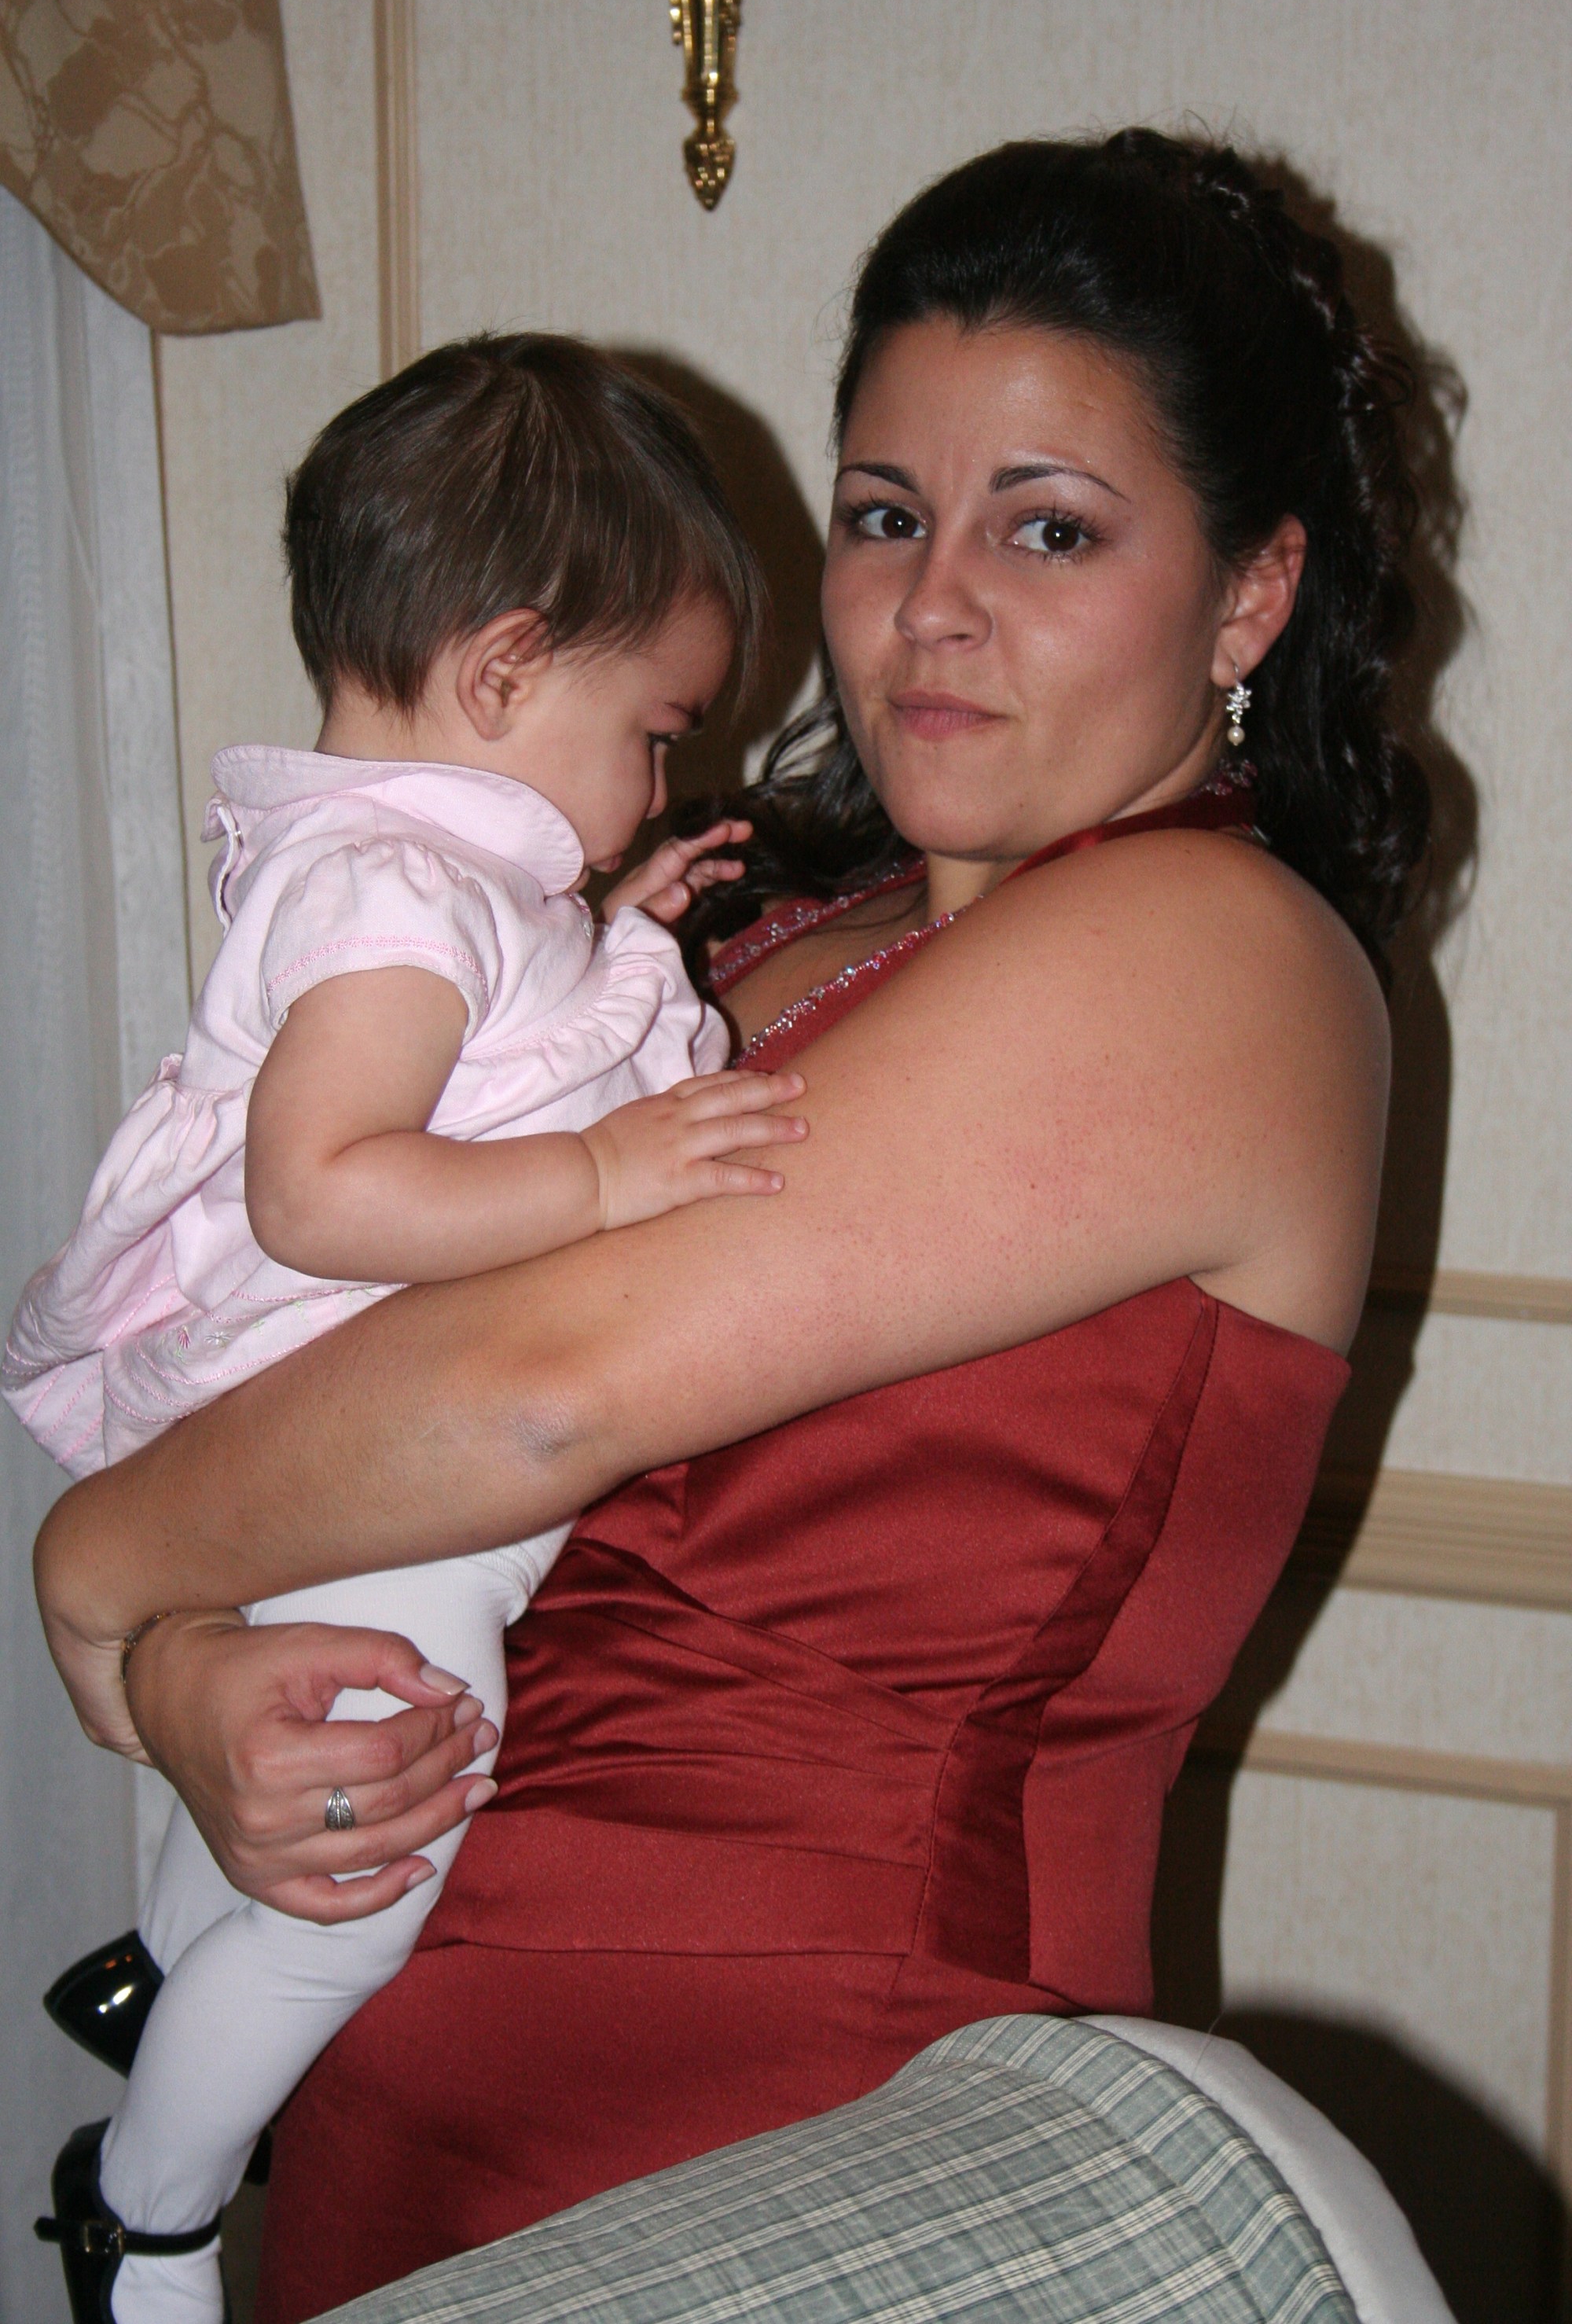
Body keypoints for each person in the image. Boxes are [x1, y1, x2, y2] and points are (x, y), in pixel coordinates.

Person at [30, 130, 1430, 2324]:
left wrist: (100, 1573)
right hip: (395, 2095)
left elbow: (528, 1394)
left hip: (817, 2138)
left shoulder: (1210, 954)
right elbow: (354, 1382)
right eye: (884, 514)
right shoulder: (735, 941)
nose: (931, 604)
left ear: (1249, 596)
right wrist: (210, 1679)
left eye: (1048, 527)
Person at [9, 333, 811, 2324]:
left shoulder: (423, 876)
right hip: (363, 1456)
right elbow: (328, 1190)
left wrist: (615, 937)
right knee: (363, 1879)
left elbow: (488, 1074)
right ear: (505, 670)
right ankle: (146, 2209)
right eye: (653, 731)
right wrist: (608, 1175)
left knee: (302, 1793)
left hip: (341, 1440)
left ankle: (163, 1981)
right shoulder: (392, 895)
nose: (658, 778)